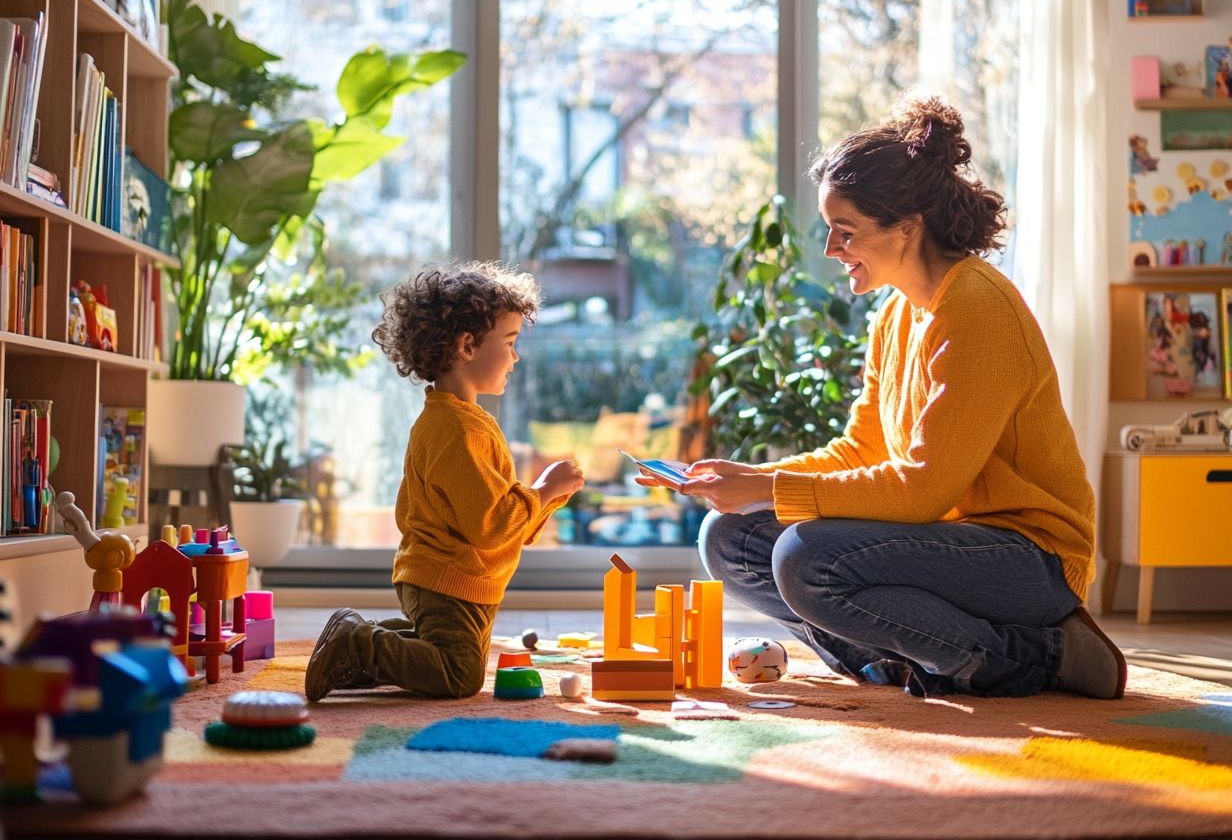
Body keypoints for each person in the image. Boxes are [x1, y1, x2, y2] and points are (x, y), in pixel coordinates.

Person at [641, 97, 1125, 700]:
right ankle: (899, 661)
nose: (829, 250)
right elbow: (861, 448)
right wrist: (751, 478)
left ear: (907, 225)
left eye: (846, 232)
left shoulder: (976, 310)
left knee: (804, 560)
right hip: (939, 544)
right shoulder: (896, 313)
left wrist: (768, 489)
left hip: (1028, 557)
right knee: (728, 537)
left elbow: (923, 489)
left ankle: (1035, 654)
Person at [304, 261, 585, 701]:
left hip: (458, 577)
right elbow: (491, 527)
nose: (516, 357)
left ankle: (358, 641)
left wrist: (548, 498)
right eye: (509, 343)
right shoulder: (461, 430)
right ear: (467, 346)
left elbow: (502, 523)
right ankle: (359, 644)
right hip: (447, 579)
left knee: (448, 651)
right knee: (459, 674)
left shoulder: (455, 419)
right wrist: (545, 489)